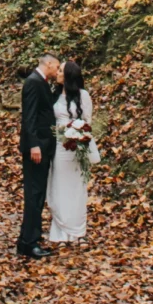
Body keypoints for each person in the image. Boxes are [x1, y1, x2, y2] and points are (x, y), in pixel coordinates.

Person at [46, 58, 99, 244]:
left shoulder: (83, 95)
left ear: (68, 75)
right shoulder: (53, 94)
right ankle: (60, 232)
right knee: (59, 188)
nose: (57, 73)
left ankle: (78, 232)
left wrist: (78, 135)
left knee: (77, 189)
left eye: (61, 71)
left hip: (76, 149)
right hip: (59, 148)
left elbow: (87, 121)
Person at [17, 52, 61, 259]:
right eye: (57, 67)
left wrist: (60, 85)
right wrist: (34, 145)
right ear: (49, 63)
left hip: (44, 146)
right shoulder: (33, 83)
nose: (57, 71)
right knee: (34, 195)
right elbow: (29, 116)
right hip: (37, 148)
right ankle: (29, 242)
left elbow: (47, 107)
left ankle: (26, 239)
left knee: (38, 194)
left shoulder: (41, 82)